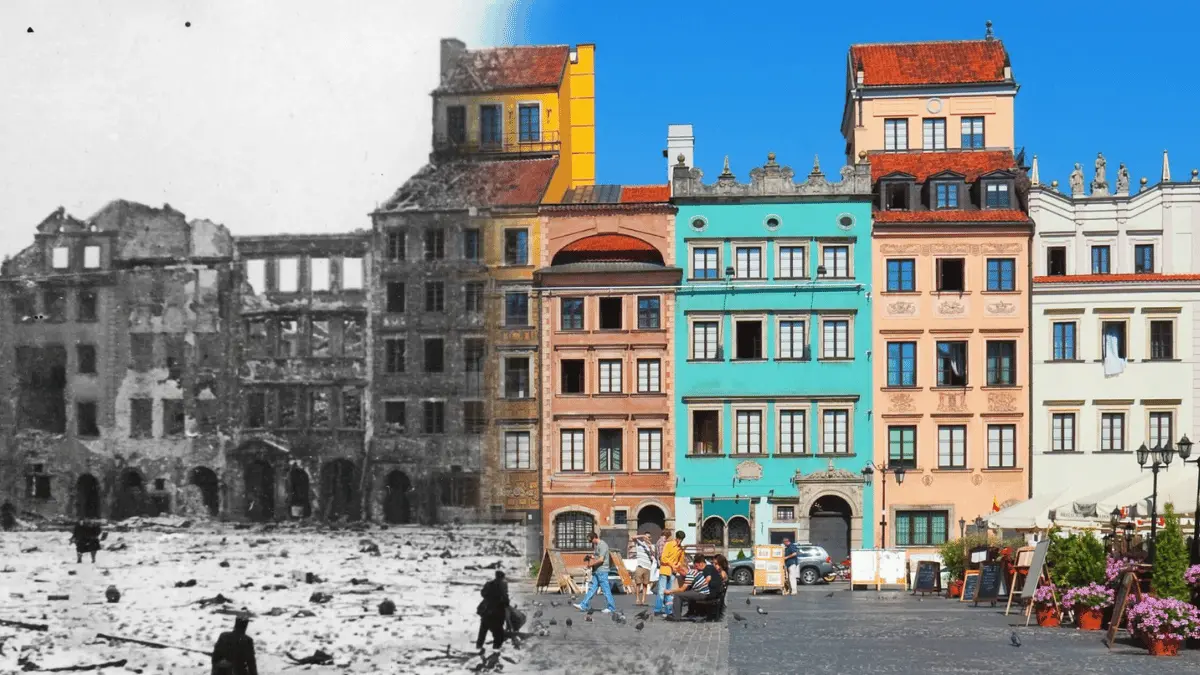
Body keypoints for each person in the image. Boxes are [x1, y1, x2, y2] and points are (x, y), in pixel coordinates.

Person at [665, 554, 718, 622]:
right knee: (683, 594)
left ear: (682, 570)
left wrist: (670, 591)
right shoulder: (693, 572)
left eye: (680, 573)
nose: (680, 575)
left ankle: (676, 616)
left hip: (701, 593)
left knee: (678, 595)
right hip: (702, 592)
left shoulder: (689, 575)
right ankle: (682, 613)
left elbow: (682, 589)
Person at [575, 532, 616, 614]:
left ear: (594, 538)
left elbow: (601, 559)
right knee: (592, 588)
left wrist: (591, 565)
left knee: (606, 590)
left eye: (591, 540)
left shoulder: (603, 545)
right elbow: (597, 556)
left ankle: (611, 608)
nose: (591, 543)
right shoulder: (597, 546)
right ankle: (583, 605)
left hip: (602, 570)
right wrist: (590, 556)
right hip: (597, 571)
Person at [211, 611, 258, 675]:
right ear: (245, 625)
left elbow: (215, 657)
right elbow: (251, 663)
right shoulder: (247, 640)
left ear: (236, 624)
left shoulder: (224, 636)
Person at [476, 570, 510, 652]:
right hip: (497, 612)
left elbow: (483, 593)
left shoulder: (489, 584)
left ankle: (479, 646)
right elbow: (505, 598)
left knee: (483, 629)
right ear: (502, 577)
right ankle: (496, 649)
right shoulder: (503, 585)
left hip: (486, 610)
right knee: (498, 632)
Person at [655, 530, 686, 617]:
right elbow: (663, 558)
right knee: (661, 590)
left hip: (673, 572)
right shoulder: (669, 544)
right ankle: (658, 609)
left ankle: (668, 610)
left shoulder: (681, 549)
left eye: (682, 539)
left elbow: (681, 560)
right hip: (665, 570)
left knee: (670, 592)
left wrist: (677, 566)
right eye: (679, 539)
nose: (680, 541)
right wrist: (672, 565)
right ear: (676, 538)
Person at [631, 533, 656, 606]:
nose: (647, 538)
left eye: (649, 537)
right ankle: (637, 599)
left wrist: (650, 547)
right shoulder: (639, 543)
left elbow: (653, 555)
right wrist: (642, 536)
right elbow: (632, 537)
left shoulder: (652, 546)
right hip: (640, 566)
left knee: (645, 584)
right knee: (638, 583)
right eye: (646, 537)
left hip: (648, 567)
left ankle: (643, 600)